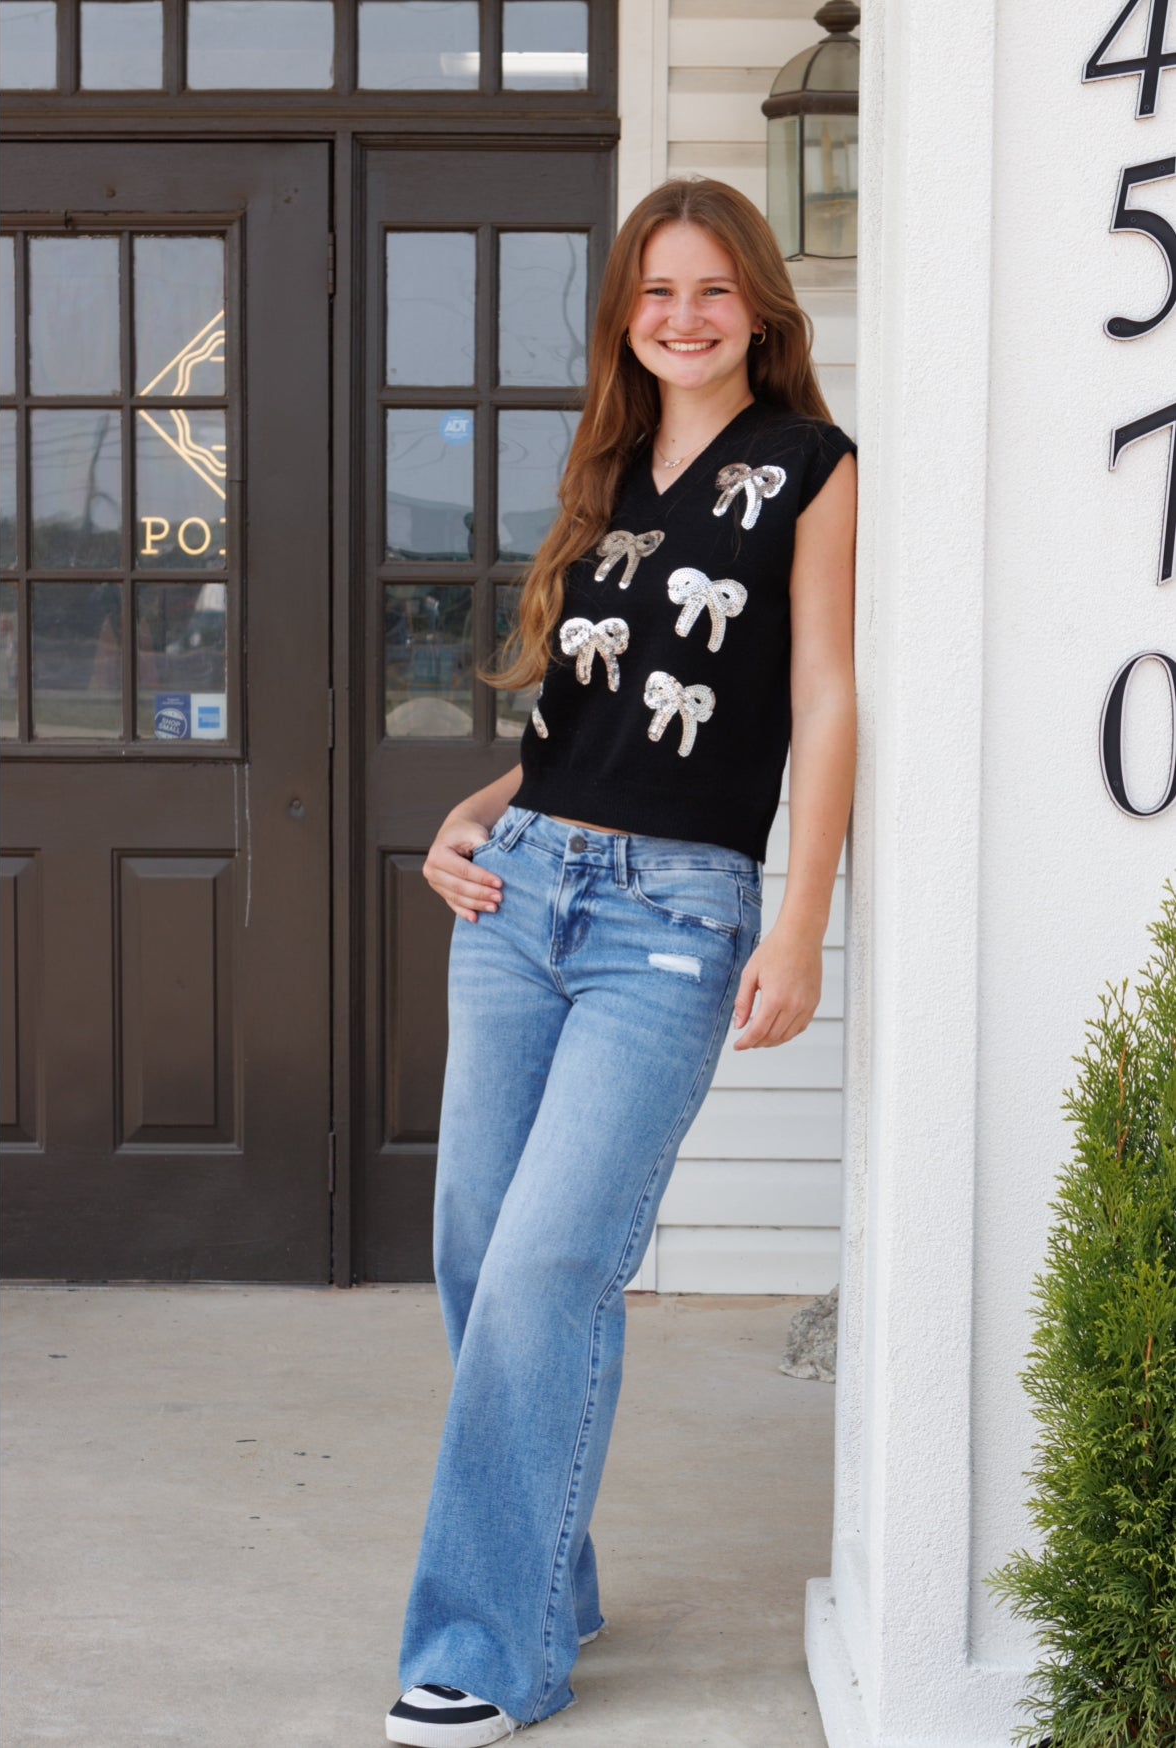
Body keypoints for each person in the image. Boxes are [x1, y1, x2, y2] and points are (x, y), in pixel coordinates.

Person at [386, 176, 858, 1747]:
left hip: (676, 921)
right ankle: (543, 1575)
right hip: (520, 895)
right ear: (627, 316)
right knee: (473, 1248)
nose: (683, 317)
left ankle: (487, 1649)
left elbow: (826, 698)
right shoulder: (603, 469)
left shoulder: (810, 467)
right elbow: (577, 726)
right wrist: (471, 811)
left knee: (548, 1265)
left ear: (761, 311)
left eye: (713, 291)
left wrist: (800, 919)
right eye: (657, 292)